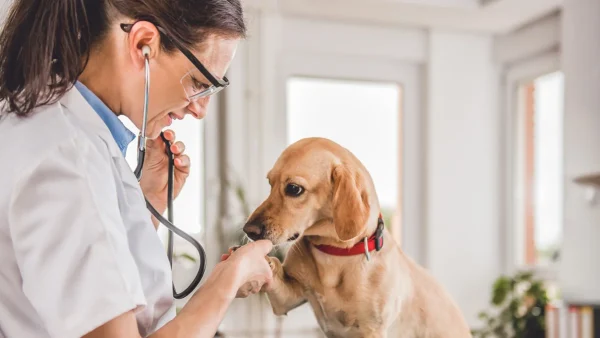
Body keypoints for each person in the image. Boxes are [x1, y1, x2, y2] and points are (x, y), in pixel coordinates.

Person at [0, 1, 273, 337]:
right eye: (200, 83)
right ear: (143, 44)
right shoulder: (67, 158)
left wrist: (149, 204)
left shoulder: (53, 129)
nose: (201, 110)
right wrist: (227, 280)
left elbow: (86, 275)